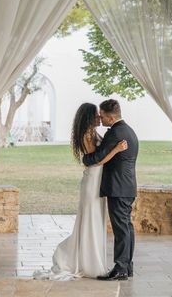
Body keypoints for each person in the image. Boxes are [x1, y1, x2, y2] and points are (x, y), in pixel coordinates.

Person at [37, 102, 127, 280]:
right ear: (88, 117)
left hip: (98, 179)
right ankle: (85, 262)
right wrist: (116, 150)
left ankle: (92, 260)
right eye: (95, 115)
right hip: (93, 179)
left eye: (99, 115)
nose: (98, 117)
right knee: (90, 221)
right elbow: (96, 160)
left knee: (95, 220)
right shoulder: (87, 133)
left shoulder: (92, 132)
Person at [83, 99, 138, 281]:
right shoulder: (129, 130)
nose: (101, 118)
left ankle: (121, 268)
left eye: (102, 115)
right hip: (128, 186)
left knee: (121, 229)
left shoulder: (115, 133)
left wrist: (86, 160)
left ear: (111, 116)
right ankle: (127, 266)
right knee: (127, 227)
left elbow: (99, 157)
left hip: (118, 187)